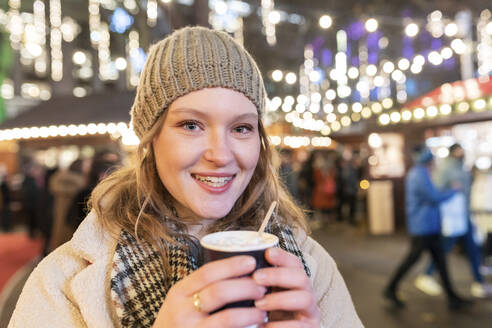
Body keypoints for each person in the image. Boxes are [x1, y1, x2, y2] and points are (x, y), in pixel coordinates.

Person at [9, 26, 363, 328]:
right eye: (191, 125)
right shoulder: (60, 281)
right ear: (151, 140)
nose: (221, 154)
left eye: (241, 127)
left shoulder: (308, 265)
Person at [384, 145, 471, 310]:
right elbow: (434, 197)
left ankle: (452, 297)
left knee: (439, 261)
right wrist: (453, 190)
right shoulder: (419, 174)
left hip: (427, 226)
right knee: (414, 259)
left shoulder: (418, 173)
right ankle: (390, 288)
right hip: (424, 227)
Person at [414, 143, 492, 298]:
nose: (461, 153)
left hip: (463, 215)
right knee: (444, 248)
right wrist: (452, 191)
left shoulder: (460, 167)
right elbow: (438, 190)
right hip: (453, 218)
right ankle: (427, 275)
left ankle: (478, 282)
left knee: (472, 249)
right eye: (459, 151)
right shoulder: (445, 169)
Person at [47, 159, 86, 253]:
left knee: (58, 232)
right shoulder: (82, 182)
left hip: (58, 210)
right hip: (73, 212)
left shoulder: (57, 178)